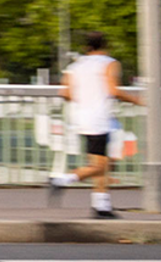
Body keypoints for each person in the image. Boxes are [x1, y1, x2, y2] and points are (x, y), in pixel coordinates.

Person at [50, 31, 142, 219]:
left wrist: (85, 98)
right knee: (104, 164)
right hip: (101, 119)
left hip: (81, 119)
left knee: (99, 162)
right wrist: (137, 100)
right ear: (105, 45)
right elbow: (113, 90)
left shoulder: (75, 65)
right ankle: (63, 179)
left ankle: (101, 206)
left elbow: (65, 93)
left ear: (86, 46)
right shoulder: (109, 63)